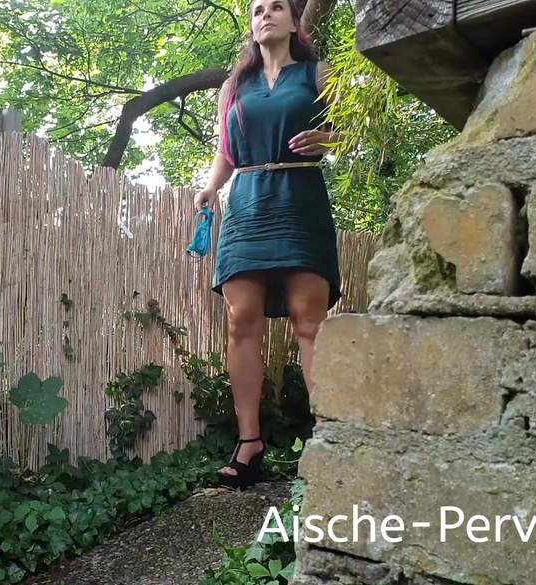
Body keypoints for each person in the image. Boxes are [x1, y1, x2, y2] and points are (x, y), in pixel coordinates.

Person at [194, 0, 341, 490]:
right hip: (248, 203)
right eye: (258, 9)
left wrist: (328, 140)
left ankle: (328, 437)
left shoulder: (319, 73)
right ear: (252, 25)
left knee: (309, 320)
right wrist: (211, 186)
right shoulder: (234, 86)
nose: (267, 14)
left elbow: (345, 133)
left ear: (294, 21)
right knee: (241, 321)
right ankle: (249, 442)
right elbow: (225, 150)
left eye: (277, 6)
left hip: (302, 198)